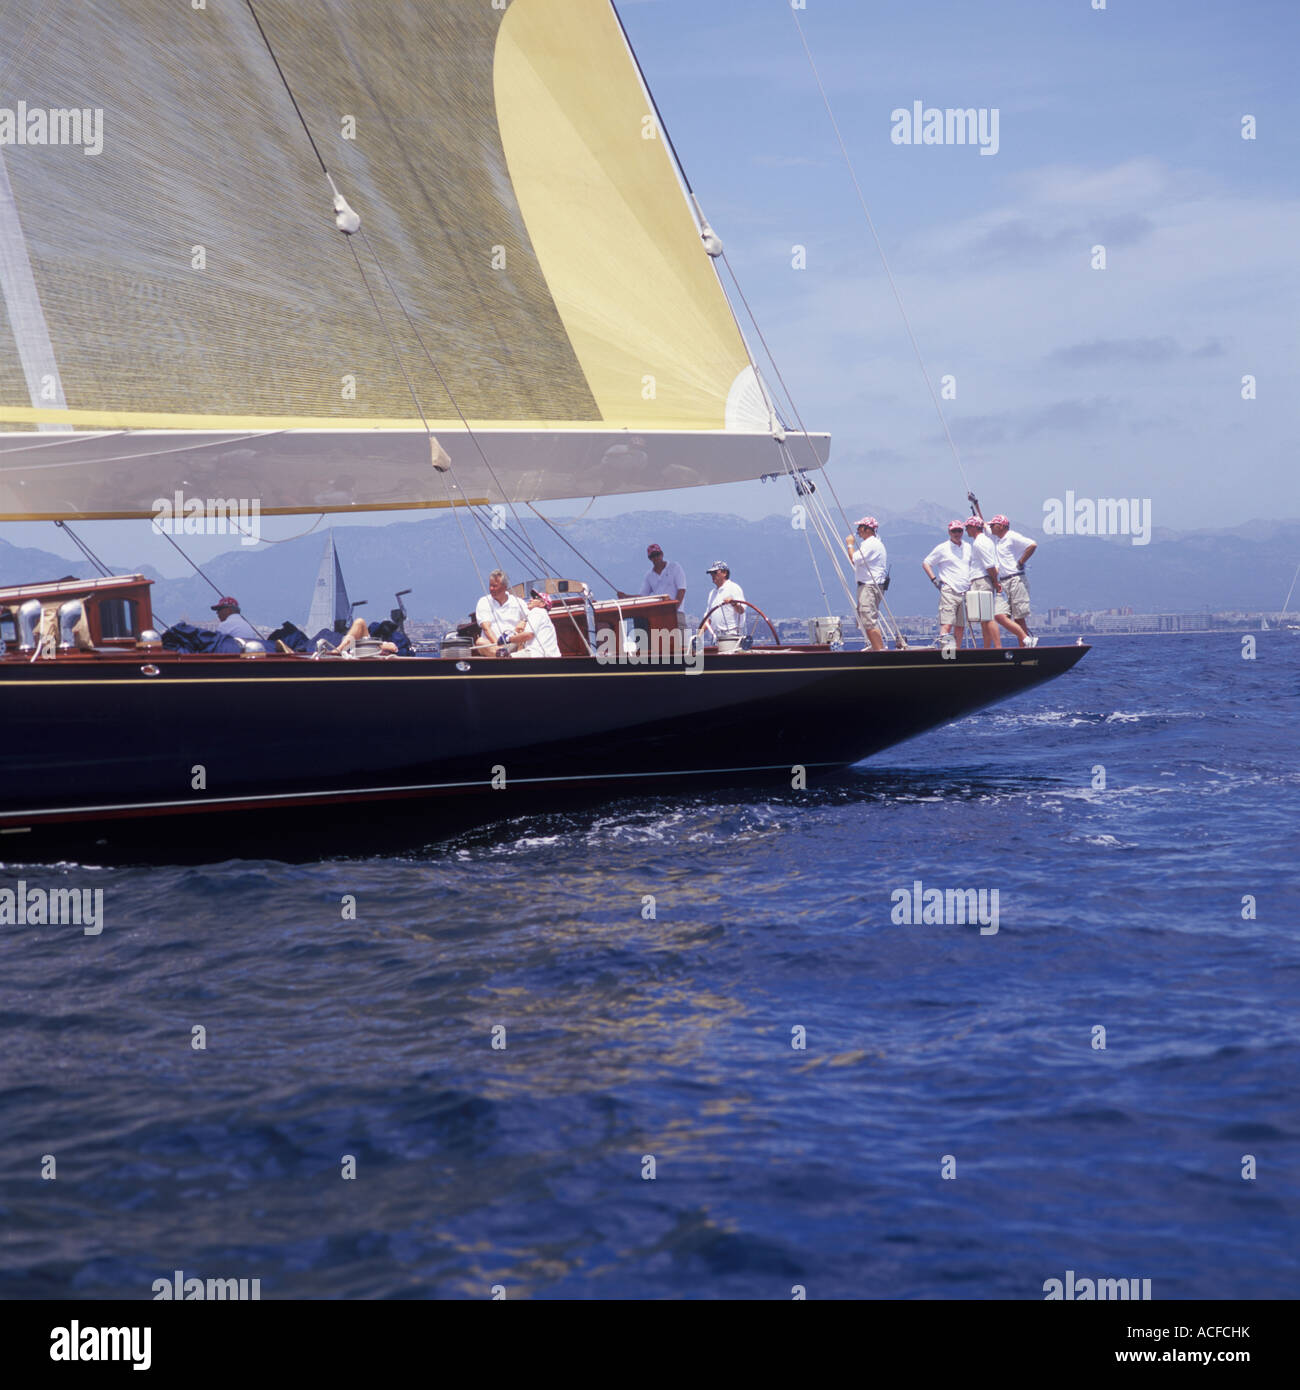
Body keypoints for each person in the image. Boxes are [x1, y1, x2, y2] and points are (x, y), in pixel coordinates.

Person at [988, 514, 1038, 647]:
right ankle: (1026, 639)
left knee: (1019, 617)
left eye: (993, 525)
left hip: (1016, 579)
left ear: (1001, 526)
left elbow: (1032, 545)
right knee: (999, 615)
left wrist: (1021, 562)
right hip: (1003, 582)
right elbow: (983, 526)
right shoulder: (998, 540)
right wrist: (975, 504)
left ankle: (1024, 647)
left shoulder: (1012, 536)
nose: (991, 527)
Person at [922, 521, 972, 650]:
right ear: (949, 532)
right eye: (954, 531)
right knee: (947, 624)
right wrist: (934, 580)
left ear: (963, 532)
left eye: (959, 531)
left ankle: (957, 652)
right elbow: (927, 563)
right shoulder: (942, 548)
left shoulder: (968, 547)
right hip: (949, 590)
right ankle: (947, 654)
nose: (957, 534)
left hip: (965, 592)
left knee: (960, 626)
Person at [844, 516, 887, 652]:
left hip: (869, 586)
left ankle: (879, 650)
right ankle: (875, 647)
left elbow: (854, 559)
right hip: (869, 585)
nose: (858, 530)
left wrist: (850, 544)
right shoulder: (874, 543)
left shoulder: (870, 543)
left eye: (860, 527)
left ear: (867, 529)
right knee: (864, 618)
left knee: (868, 619)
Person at [474, 569, 532, 657]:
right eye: (490, 585)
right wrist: (499, 646)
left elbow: (530, 618)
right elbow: (486, 628)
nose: (491, 589)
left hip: (513, 642)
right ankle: (503, 655)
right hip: (492, 646)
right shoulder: (484, 601)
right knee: (480, 642)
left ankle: (505, 656)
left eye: (495, 586)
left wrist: (524, 622)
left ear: (504, 587)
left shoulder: (518, 602)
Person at [617, 543, 686, 604]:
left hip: (677, 612)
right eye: (653, 556)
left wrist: (675, 608)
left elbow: (682, 590)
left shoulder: (675, 567)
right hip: (659, 612)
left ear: (662, 554)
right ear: (650, 558)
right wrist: (625, 596)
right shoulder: (649, 575)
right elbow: (643, 596)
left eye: (657, 554)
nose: (656, 557)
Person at [701, 562, 745, 640]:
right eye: (711, 573)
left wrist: (734, 603)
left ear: (724, 573)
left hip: (732, 635)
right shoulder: (712, 593)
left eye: (715, 572)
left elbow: (741, 610)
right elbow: (708, 618)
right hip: (716, 637)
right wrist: (698, 637)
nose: (712, 575)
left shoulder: (734, 588)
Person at [513, 593, 561, 659]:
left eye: (535, 598)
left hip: (538, 654)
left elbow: (528, 635)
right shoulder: (543, 615)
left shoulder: (537, 611)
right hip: (550, 656)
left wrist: (508, 639)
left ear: (542, 604)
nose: (530, 599)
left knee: (505, 659)